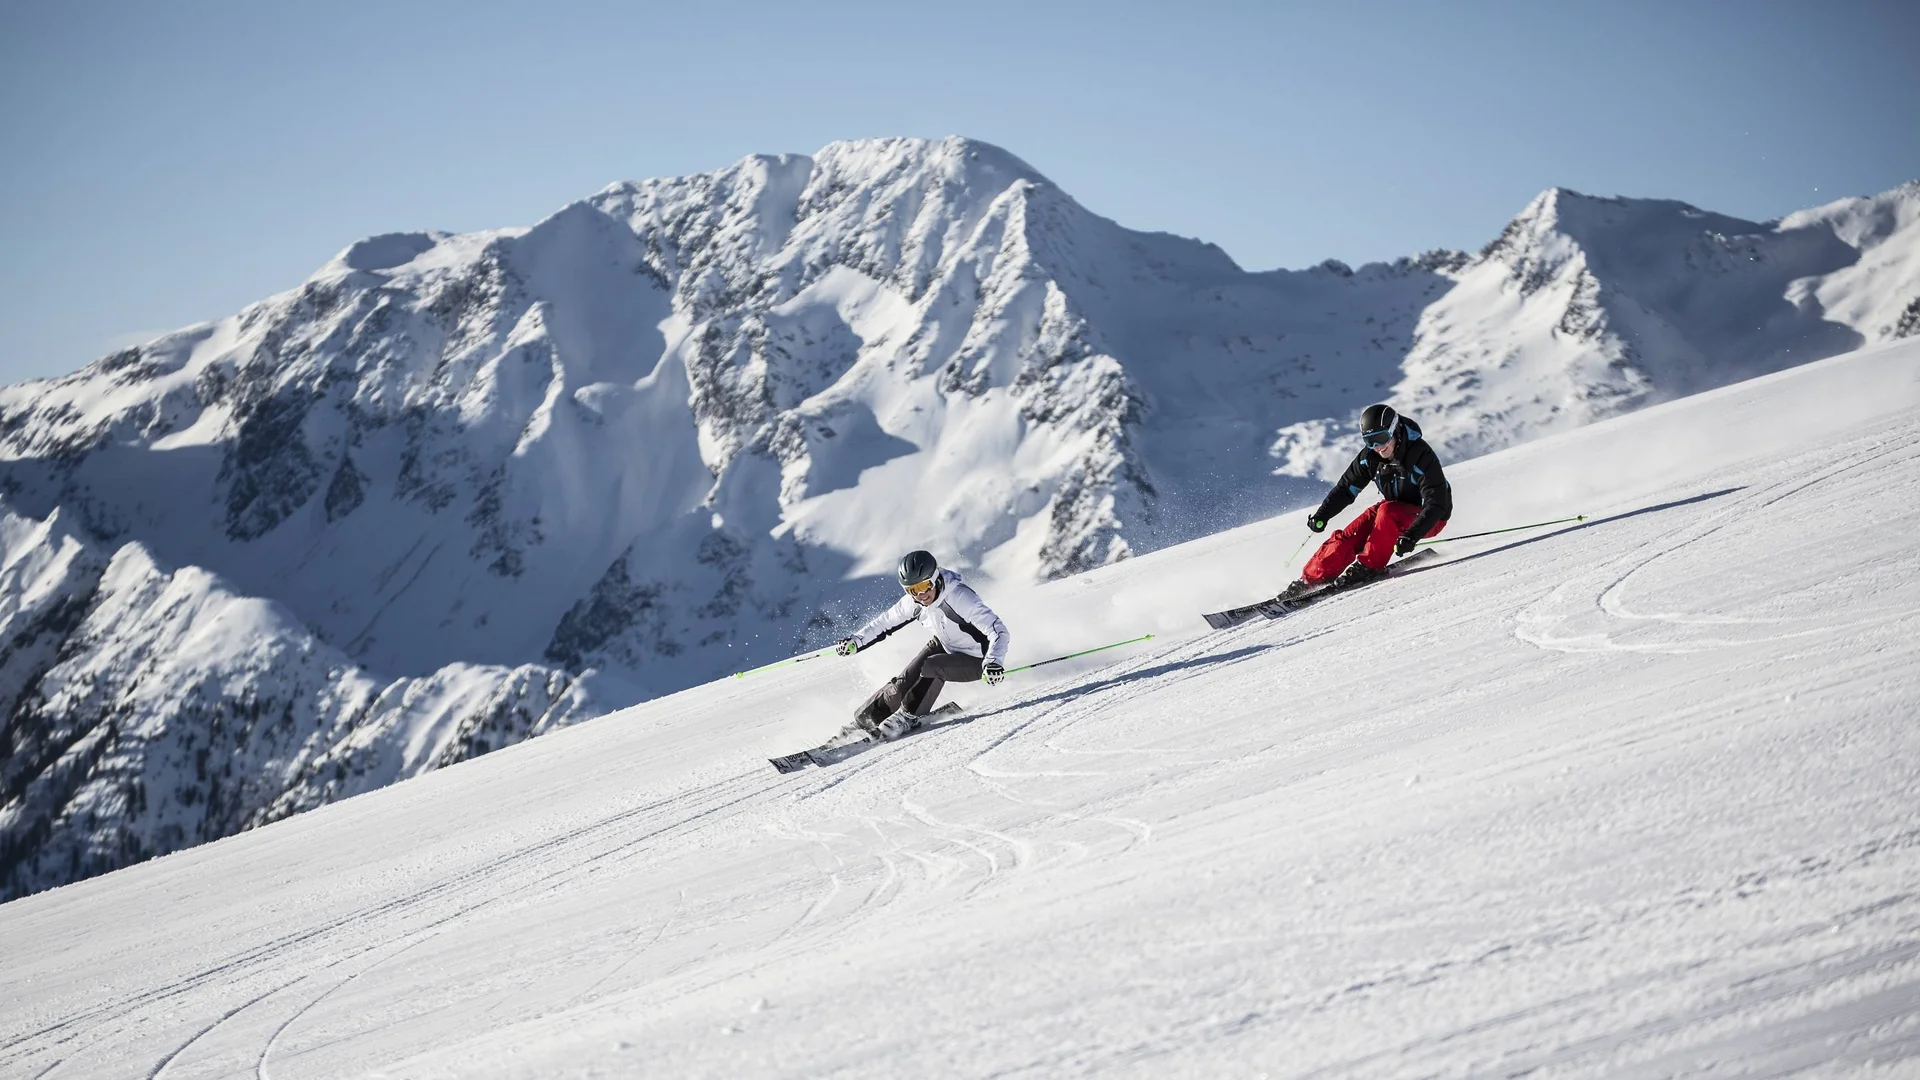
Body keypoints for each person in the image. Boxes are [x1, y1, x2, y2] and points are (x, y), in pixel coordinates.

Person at [1278, 403, 1452, 601]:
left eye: (1381, 438)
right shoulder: (1369, 458)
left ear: (1394, 430)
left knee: (1387, 512)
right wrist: (1322, 515)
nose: (1378, 446)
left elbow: (1436, 502)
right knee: (1351, 534)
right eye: (1370, 441)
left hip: (1431, 518)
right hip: (1392, 510)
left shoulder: (1420, 455)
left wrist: (1412, 536)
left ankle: (1368, 566)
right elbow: (1346, 489)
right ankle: (1310, 579)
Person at [835, 550, 1010, 740]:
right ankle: (863, 722)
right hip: (945, 644)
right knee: (901, 684)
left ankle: (908, 717)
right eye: (912, 590)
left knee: (934, 666)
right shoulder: (914, 602)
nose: (921, 594)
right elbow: (884, 623)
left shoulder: (960, 598)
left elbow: (999, 631)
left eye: (925, 586)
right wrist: (856, 641)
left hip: (978, 659)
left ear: (936, 578)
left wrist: (993, 662)